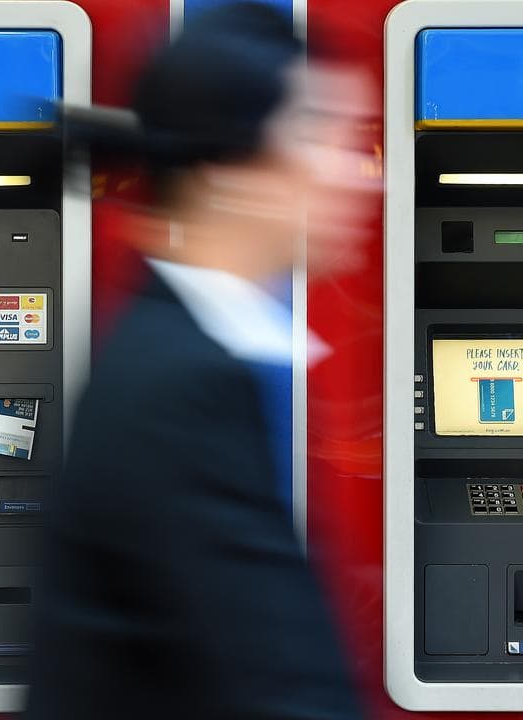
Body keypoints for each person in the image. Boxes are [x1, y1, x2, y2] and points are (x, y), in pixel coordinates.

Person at [26, 4, 378, 718]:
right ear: (229, 170)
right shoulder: (185, 385)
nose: (363, 176)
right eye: (320, 134)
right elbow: (280, 688)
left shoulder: (197, 348)